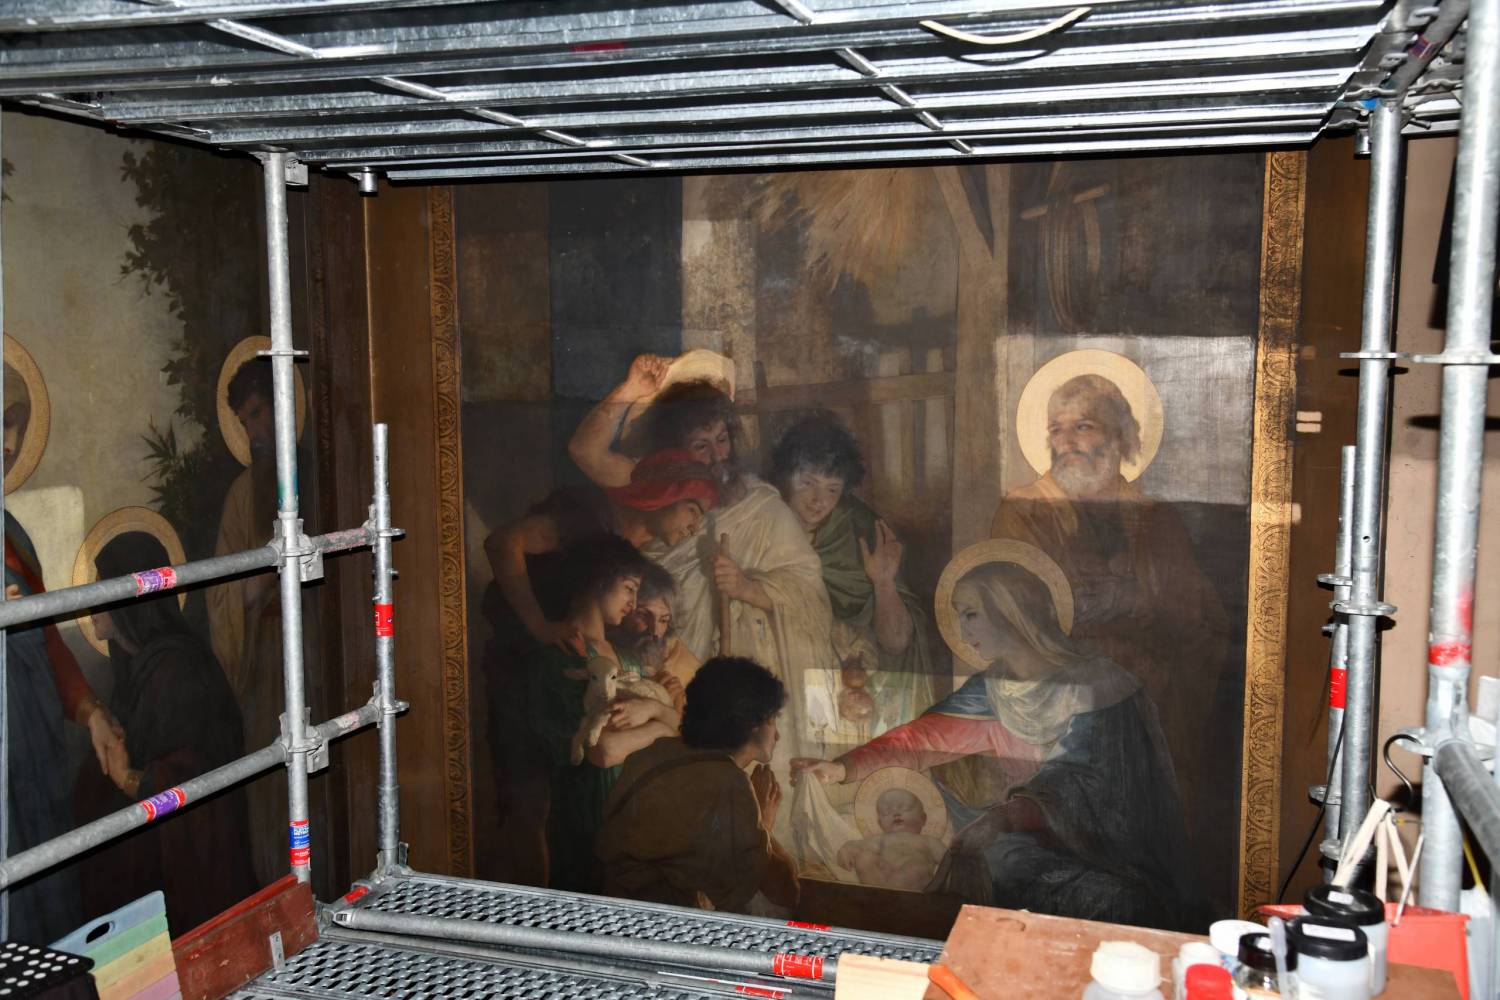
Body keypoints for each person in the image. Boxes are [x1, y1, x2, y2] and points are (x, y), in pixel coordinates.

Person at [792, 557, 1201, 930]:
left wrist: (1004, 819)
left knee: (1112, 901)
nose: (963, 631)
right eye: (959, 617)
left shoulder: (1101, 685)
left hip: (1107, 855)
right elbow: (920, 738)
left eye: (971, 614)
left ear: (1012, 612)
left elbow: (1089, 787)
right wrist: (842, 768)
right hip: (1027, 846)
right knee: (992, 863)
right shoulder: (993, 689)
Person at [568, 356, 834, 835]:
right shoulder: (657, 482)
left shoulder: (760, 507)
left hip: (745, 670)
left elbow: (810, 592)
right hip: (668, 660)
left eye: (722, 439)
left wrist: (748, 588)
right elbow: (585, 453)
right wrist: (630, 388)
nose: (716, 455)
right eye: (700, 444)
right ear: (677, 448)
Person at [989, 372, 1230, 850]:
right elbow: (1016, 610)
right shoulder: (1023, 512)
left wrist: (1135, 602)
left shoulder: (1156, 518)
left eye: (1083, 426)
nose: (1066, 442)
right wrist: (1119, 606)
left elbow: (1198, 616)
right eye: (1056, 429)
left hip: (1155, 699)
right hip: (1066, 703)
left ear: (1118, 434)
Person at [479, 448, 715, 884]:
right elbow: (503, 543)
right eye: (693, 509)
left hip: (585, 676)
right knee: (532, 809)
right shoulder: (590, 519)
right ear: (667, 492)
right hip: (535, 671)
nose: (694, 526)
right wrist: (540, 626)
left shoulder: (631, 563)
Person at [74, 531, 256, 938]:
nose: (91, 603)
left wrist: (126, 777)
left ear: (131, 598)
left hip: (196, 869)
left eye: (103, 587)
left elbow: (190, 774)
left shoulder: (178, 668)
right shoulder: (138, 666)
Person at [3, 373, 122, 942]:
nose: (8, 444)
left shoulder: (11, 535)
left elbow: (47, 639)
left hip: (35, 755)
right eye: (0, 425)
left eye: (15, 428)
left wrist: (90, 711)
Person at [524, 535, 681, 894]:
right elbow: (604, 751)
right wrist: (660, 727)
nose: (633, 603)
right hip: (588, 820)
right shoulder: (555, 660)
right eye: (629, 588)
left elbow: (681, 729)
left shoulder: (628, 660)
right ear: (598, 580)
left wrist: (654, 709)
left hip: (638, 825)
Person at [769, 411, 935, 737]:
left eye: (832, 490)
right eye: (808, 483)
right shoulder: (765, 523)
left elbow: (898, 644)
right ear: (787, 476)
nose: (819, 501)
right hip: (787, 675)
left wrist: (883, 584)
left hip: (857, 687)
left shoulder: (859, 527)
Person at [596, 656, 799, 915]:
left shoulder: (656, 753)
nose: (777, 735)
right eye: (772, 720)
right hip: (661, 924)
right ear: (752, 723)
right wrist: (764, 821)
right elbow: (785, 892)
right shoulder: (727, 782)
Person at [204, 358, 286, 886]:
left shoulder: (318, 474)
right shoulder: (242, 493)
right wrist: (250, 588)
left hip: (318, 653)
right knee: (270, 793)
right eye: (243, 421)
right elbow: (222, 592)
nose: (253, 431)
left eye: (258, 414)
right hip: (264, 657)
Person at [605, 561, 699, 712]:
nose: (654, 631)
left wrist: (677, 702)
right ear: (624, 609)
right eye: (643, 615)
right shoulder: (604, 654)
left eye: (663, 620)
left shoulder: (681, 661)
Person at [835, 788, 946, 891]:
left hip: (913, 885)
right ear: (880, 823)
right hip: (882, 880)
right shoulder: (881, 839)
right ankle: (879, 893)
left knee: (916, 868)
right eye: (887, 812)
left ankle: (887, 896)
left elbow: (948, 860)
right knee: (864, 858)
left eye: (906, 808)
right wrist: (847, 848)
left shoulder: (928, 841)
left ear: (923, 818)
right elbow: (860, 845)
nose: (896, 814)